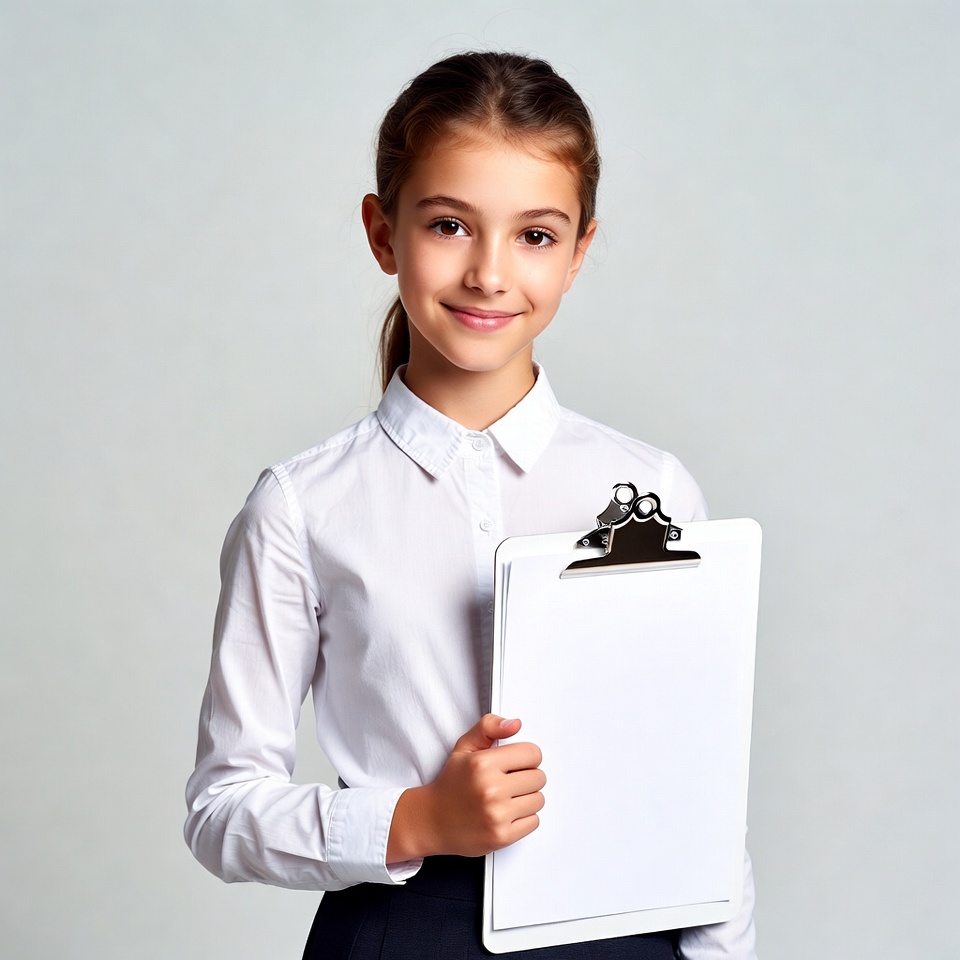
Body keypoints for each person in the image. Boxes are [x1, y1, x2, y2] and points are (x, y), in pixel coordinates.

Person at [184, 51, 757, 959]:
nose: (490, 274)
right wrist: (416, 819)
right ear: (382, 233)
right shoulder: (301, 507)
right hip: (403, 930)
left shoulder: (654, 487)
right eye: (450, 224)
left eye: (535, 235)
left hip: (627, 927)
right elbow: (222, 810)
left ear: (579, 253)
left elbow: (696, 784)